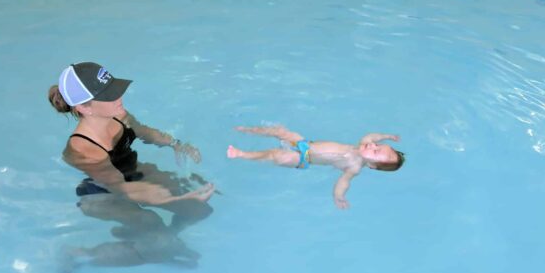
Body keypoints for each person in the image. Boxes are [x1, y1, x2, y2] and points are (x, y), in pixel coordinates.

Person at [48, 61, 214, 206]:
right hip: (104, 194)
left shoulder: (119, 115)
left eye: (114, 89)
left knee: (198, 207)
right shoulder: (83, 149)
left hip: (132, 171)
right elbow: (121, 187)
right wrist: (173, 200)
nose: (119, 96)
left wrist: (176, 145)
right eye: (109, 95)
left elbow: (143, 131)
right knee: (151, 225)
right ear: (84, 108)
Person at [227, 125, 405, 209]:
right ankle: (249, 130)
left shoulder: (354, 166)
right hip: (305, 144)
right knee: (280, 131)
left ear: (372, 165)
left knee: (278, 156)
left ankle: (242, 154)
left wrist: (338, 196)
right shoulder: (363, 144)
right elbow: (372, 135)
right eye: (377, 146)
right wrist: (386, 136)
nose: (372, 146)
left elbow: (343, 182)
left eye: (375, 152)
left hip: (304, 158)